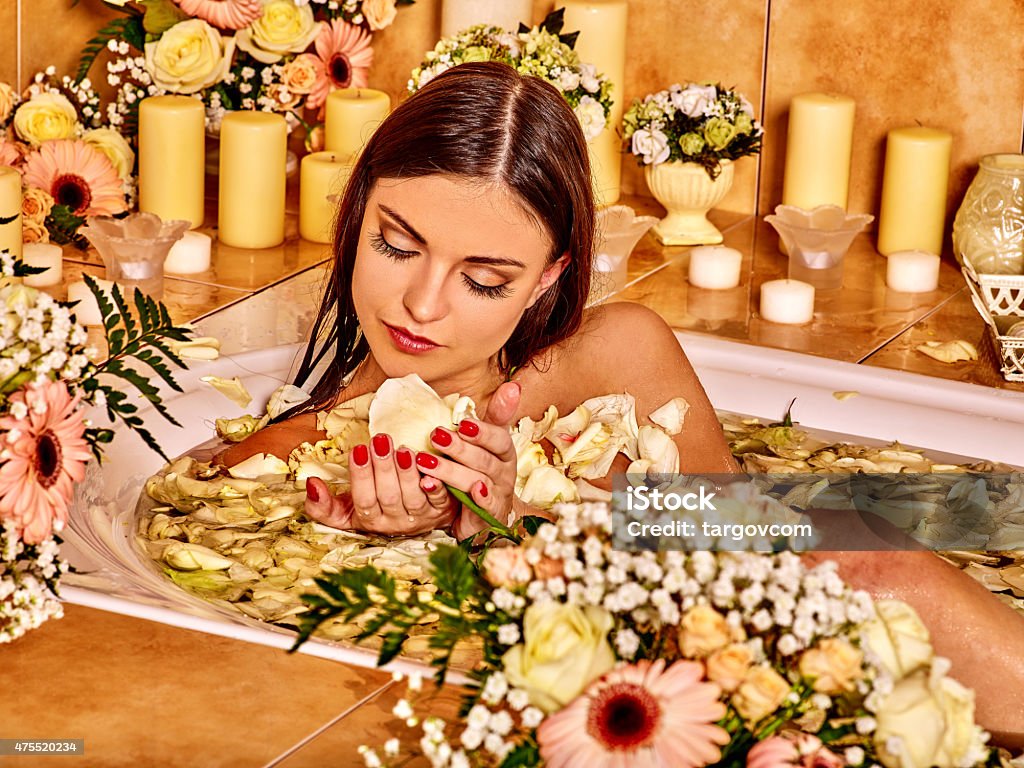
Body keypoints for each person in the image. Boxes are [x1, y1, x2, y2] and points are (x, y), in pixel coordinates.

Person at [219, 61, 1024, 744]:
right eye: (397, 244)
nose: (422, 305)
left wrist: (520, 519)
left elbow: (747, 544)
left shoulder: (612, 351)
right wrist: (456, 538)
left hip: (773, 648)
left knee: (875, 550)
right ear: (355, 214)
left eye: (484, 278)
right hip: (639, 714)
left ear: (547, 276)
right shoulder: (290, 457)